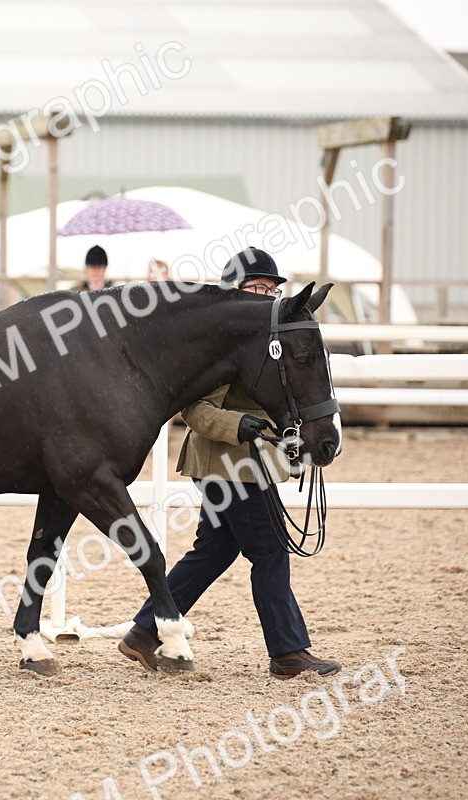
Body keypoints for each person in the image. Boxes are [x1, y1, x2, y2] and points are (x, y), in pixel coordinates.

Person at [119, 247, 341, 680]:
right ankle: (288, 651)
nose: (266, 295)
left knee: (214, 550)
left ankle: (144, 632)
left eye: (272, 288)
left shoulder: (263, 339)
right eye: (257, 288)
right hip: (226, 463)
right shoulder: (223, 341)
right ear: (235, 292)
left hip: (246, 462)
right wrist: (241, 425)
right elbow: (196, 412)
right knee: (271, 550)